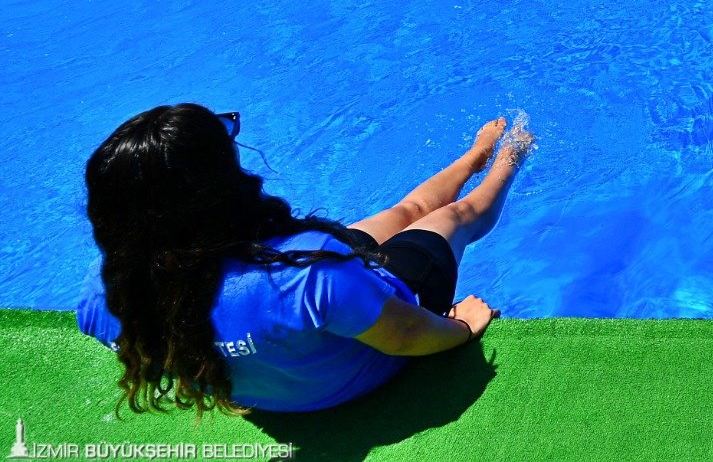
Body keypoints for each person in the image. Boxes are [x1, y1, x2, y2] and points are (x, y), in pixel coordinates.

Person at [76, 104, 534, 415]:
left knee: (404, 213)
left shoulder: (106, 294)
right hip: (356, 370)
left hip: (277, 385)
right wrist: (461, 327)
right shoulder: (306, 275)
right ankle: (509, 157)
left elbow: (176, 345)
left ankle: (471, 159)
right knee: (454, 216)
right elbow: (405, 335)